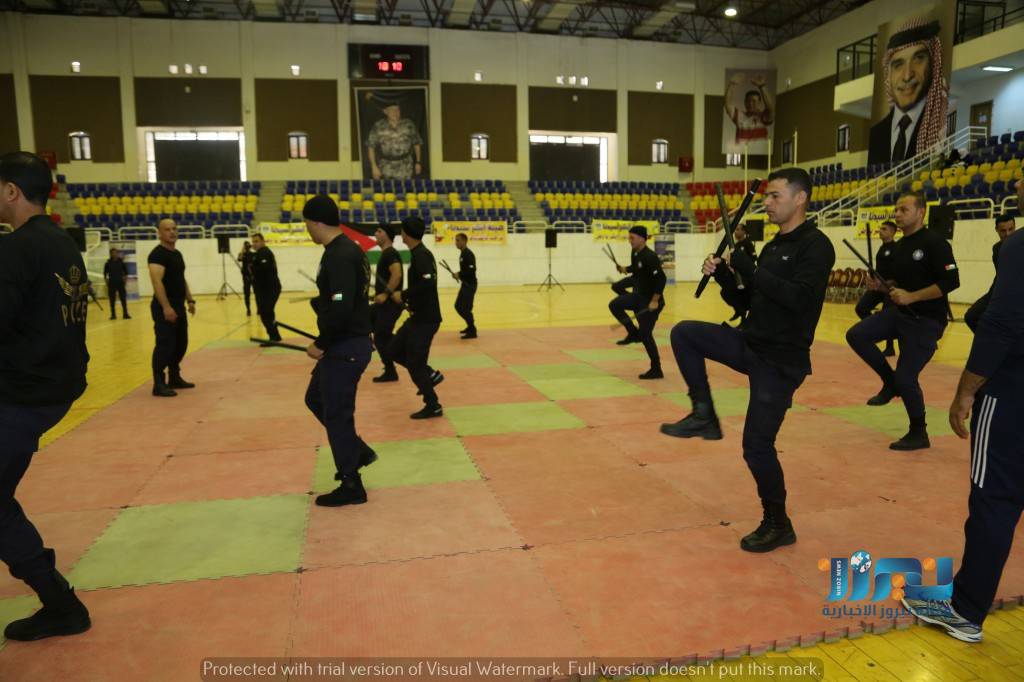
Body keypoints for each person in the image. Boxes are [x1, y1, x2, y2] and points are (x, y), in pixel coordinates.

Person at [660, 168, 835, 553]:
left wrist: (750, 270)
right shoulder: (773, 247)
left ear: (800, 198)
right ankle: (703, 413)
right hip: (751, 342)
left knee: (756, 446)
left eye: (774, 196)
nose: (767, 203)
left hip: (781, 361)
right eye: (766, 196)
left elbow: (798, 299)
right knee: (684, 333)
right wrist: (725, 275)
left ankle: (778, 523)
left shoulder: (816, 246)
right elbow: (747, 302)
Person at [903, 227, 1024, 643]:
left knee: (995, 499)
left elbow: (1000, 323)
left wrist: (966, 392)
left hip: (1013, 394)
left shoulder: (1020, 245)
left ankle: (964, 610)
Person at [0, 151, 91, 641]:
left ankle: (60, 603)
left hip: (23, 393)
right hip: (52, 387)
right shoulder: (62, 242)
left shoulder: (16, 249)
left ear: (11, 190)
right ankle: (58, 601)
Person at [846, 190, 959, 450]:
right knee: (857, 335)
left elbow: (951, 281)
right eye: (896, 209)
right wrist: (881, 287)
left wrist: (912, 296)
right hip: (900, 314)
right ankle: (889, 381)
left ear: (921, 212)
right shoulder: (899, 247)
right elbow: (898, 283)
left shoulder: (935, 243)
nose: (897, 214)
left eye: (903, 210)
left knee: (907, 377)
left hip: (926, 319)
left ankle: (919, 432)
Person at [301, 195, 376, 507]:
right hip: (346, 342)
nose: (307, 229)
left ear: (317, 222)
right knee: (315, 398)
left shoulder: (340, 254)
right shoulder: (343, 250)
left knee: (337, 414)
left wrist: (321, 343)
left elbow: (343, 307)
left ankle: (351, 482)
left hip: (346, 346)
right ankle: (357, 451)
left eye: (307, 224)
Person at [867, 20, 948, 165]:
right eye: (898, 65)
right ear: (888, 75)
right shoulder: (875, 134)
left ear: (932, 64)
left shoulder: (941, 126)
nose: (907, 75)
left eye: (918, 59)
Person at [388, 216, 444, 419]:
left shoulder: (421, 255)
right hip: (417, 317)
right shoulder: (417, 254)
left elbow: (428, 283)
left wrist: (403, 295)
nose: (400, 234)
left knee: (415, 363)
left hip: (426, 320)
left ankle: (433, 405)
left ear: (407, 233)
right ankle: (430, 374)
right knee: (393, 350)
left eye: (402, 230)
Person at [609, 226, 666, 380]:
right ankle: (633, 333)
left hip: (652, 301)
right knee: (614, 305)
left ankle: (656, 369)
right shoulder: (635, 252)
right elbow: (636, 269)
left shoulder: (650, 256)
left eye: (632, 238)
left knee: (646, 335)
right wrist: (625, 269)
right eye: (629, 238)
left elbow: (661, 279)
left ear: (642, 238)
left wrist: (655, 301)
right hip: (639, 296)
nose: (630, 241)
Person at [148, 218, 196, 397]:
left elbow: (180, 279)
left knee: (181, 344)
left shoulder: (177, 254)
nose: (172, 232)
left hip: (179, 304)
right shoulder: (157, 255)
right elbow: (157, 282)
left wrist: (190, 300)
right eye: (167, 229)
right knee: (165, 345)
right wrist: (166, 307)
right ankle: (158, 383)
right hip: (164, 307)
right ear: (159, 233)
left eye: (174, 228)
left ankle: (174, 377)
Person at [854, 220, 899, 357]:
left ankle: (890, 347)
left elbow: (896, 272)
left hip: (891, 287)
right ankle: (875, 329)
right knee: (861, 308)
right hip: (878, 287)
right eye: (880, 228)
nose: (880, 231)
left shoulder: (897, 248)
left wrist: (888, 283)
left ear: (892, 232)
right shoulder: (881, 249)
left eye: (884, 229)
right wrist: (872, 277)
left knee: (887, 315)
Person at [964, 214, 1016, 332]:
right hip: (998, 291)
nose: (1007, 234)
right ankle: (988, 341)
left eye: (1011, 229)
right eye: (1003, 231)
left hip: (1016, 294)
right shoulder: (996, 249)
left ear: (1015, 227)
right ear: (996, 230)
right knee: (971, 316)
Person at [371, 222, 404, 383]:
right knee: (368, 323)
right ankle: (390, 369)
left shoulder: (390, 253)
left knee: (382, 338)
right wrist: (378, 294)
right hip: (385, 303)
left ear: (387, 235)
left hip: (390, 304)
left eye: (379, 231)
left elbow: (397, 274)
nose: (375, 234)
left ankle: (398, 366)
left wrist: (385, 294)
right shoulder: (386, 254)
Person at [367, 103, 423, 181]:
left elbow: (417, 143)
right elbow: (371, 147)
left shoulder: (408, 124)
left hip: (406, 167)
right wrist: (373, 166)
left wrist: (418, 162)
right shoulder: (378, 126)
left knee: (405, 188)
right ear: (385, 111)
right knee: (387, 188)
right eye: (392, 110)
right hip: (385, 168)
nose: (395, 112)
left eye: (397, 109)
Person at [724, 73, 774, 148]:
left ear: (759, 103)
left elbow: (771, 108)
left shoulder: (763, 117)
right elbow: (727, 104)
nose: (750, 103)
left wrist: (762, 87)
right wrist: (732, 84)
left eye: (754, 101)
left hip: (759, 152)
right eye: (748, 101)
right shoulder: (739, 116)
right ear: (744, 102)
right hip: (741, 151)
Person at [723, 224, 758, 324]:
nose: (736, 232)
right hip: (737, 277)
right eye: (736, 229)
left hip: (746, 278)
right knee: (725, 292)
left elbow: (754, 258)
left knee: (743, 297)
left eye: (738, 229)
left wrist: (744, 263)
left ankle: (743, 319)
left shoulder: (748, 243)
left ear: (744, 231)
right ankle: (739, 311)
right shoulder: (736, 245)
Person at [250, 233, 281, 342]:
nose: (254, 244)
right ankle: (275, 336)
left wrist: (253, 268)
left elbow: (264, 269)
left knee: (266, 312)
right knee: (266, 313)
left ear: (263, 241)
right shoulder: (257, 255)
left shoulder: (265, 253)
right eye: (253, 242)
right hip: (262, 289)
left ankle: (274, 336)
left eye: (257, 241)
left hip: (270, 288)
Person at [452, 233, 478, 339]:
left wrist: (459, 274)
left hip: (470, 285)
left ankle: (472, 330)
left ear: (464, 241)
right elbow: (465, 270)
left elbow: (472, 270)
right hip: (465, 284)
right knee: (459, 306)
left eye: (458, 240)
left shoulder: (468, 254)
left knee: (463, 308)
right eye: (456, 240)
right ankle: (470, 326)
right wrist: (458, 274)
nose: (456, 243)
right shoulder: (463, 254)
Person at [103, 247, 130, 320]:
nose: (114, 254)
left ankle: (125, 314)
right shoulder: (108, 263)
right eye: (113, 253)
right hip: (111, 283)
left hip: (120, 283)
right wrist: (106, 282)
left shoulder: (121, 262)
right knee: (112, 300)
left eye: (116, 253)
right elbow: (105, 274)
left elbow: (126, 273)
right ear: (110, 254)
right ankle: (113, 315)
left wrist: (125, 281)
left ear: (117, 254)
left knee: (123, 299)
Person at [238, 241, 254, 317]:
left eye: (248, 246)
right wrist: (242, 250)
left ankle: (259, 309)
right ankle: (248, 309)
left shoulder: (253, 254)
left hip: (253, 276)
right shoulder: (242, 254)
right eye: (246, 246)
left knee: (257, 293)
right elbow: (239, 258)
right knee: (247, 294)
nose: (247, 247)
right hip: (246, 277)